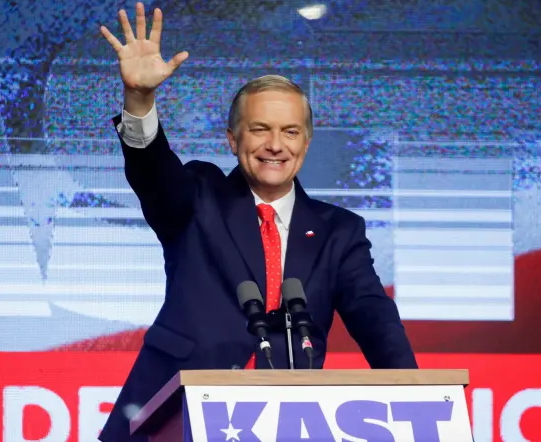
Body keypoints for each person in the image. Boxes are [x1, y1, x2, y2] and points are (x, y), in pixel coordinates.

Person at [97, 3, 417, 441]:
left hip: (283, 423)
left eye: (290, 131)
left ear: (306, 143)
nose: (275, 145)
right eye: (260, 129)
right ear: (233, 140)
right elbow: (153, 173)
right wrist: (139, 100)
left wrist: (415, 399)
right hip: (169, 415)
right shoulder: (199, 195)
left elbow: (375, 319)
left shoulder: (338, 231)